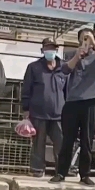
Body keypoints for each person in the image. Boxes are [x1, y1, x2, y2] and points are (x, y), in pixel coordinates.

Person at [52, 29, 95, 186]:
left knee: (87, 139)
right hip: (72, 102)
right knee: (67, 139)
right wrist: (78, 55)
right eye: (83, 38)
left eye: (88, 38)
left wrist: (94, 43)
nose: (86, 41)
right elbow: (64, 70)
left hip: (90, 101)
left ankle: (84, 174)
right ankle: (61, 172)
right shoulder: (72, 55)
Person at [22, 38, 66, 177]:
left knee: (62, 143)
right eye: (47, 48)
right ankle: (37, 169)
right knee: (38, 144)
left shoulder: (64, 68)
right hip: (38, 113)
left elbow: (68, 90)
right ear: (42, 50)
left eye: (52, 48)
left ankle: (62, 170)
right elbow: (26, 89)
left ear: (57, 50)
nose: (50, 51)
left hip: (59, 114)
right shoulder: (33, 67)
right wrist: (26, 109)